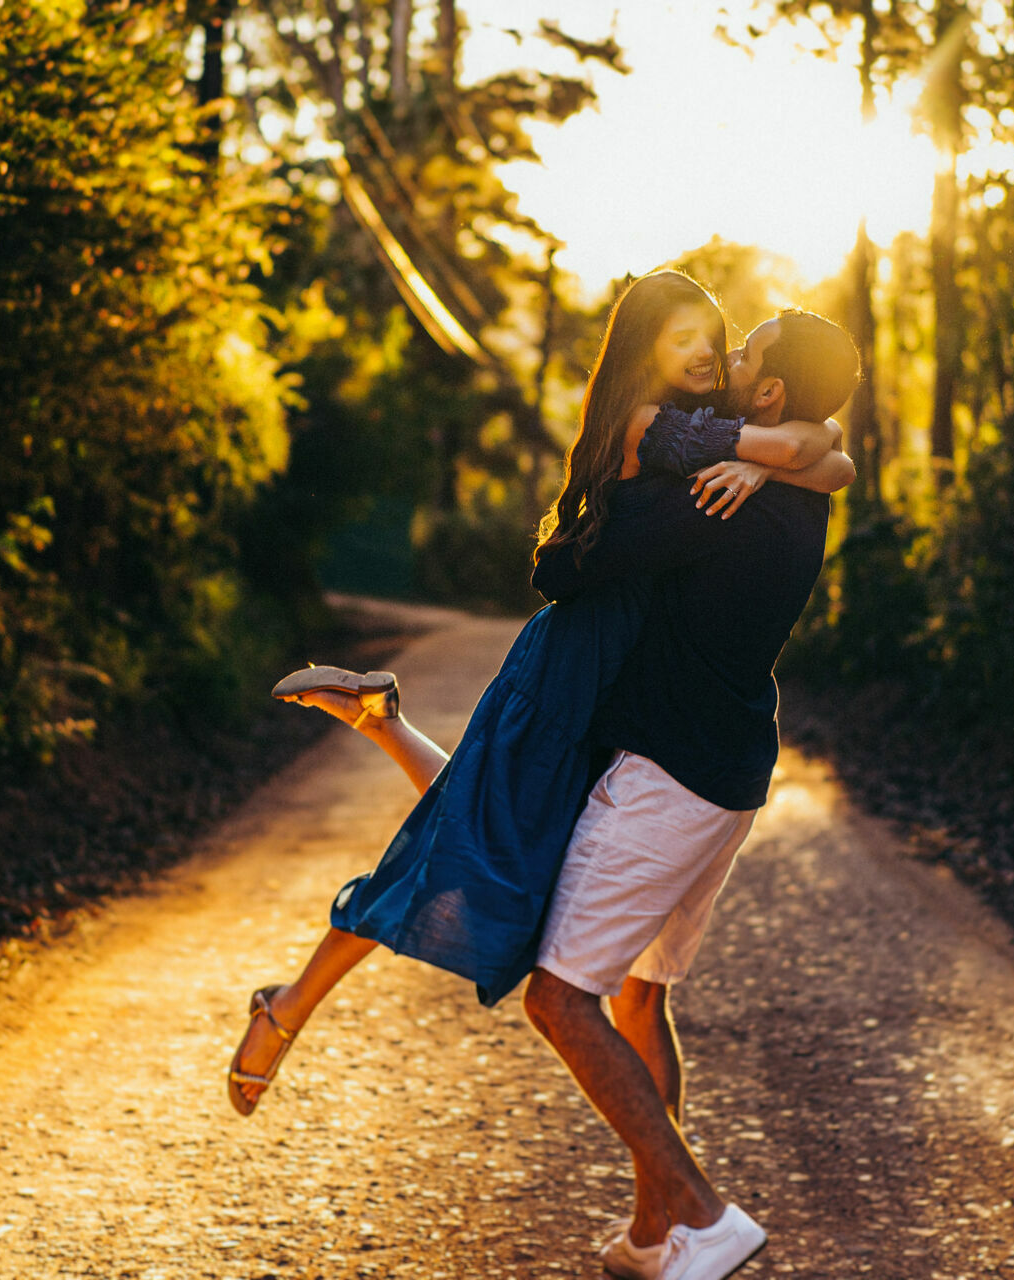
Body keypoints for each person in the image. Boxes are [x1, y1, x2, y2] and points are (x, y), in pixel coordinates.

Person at [227, 272, 854, 1120]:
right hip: (579, 655)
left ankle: (382, 723)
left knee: (498, 828)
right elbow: (793, 455)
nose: (710, 350)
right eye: (685, 340)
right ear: (645, 352)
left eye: (717, 336)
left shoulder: (710, 427)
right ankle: (291, 1003)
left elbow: (828, 447)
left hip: (626, 666)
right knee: (468, 837)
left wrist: (767, 459)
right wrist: (763, 461)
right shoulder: (655, 422)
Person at [521, 308, 862, 1280]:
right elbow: (825, 448)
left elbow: (564, 566)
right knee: (640, 993)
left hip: (666, 773)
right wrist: (781, 456)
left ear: (767, 396)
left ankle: (704, 1215)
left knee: (560, 995)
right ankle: (649, 1233)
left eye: (746, 350)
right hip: (731, 775)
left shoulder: (709, 498)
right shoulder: (791, 486)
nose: (730, 356)